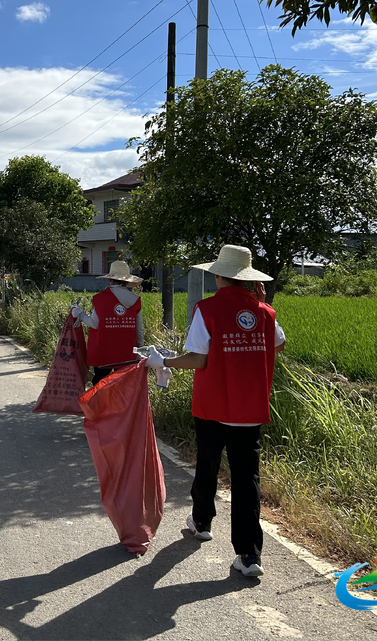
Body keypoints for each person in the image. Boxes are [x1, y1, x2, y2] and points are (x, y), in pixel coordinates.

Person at [145, 245, 286, 578]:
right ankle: (250, 555)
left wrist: (162, 361)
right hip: (250, 409)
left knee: (207, 464)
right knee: (246, 478)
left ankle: (202, 522)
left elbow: (198, 359)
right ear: (248, 279)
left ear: (218, 274)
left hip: (213, 406)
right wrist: (264, 306)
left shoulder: (206, 309)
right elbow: (278, 344)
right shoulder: (264, 312)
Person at [71, 260, 145, 385]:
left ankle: (99, 405)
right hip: (126, 352)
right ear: (127, 282)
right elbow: (139, 330)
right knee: (122, 385)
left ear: (110, 280)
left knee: (100, 383)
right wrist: (141, 351)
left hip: (103, 351)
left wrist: (81, 314)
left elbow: (94, 323)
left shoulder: (100, 299)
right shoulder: (136, 300)